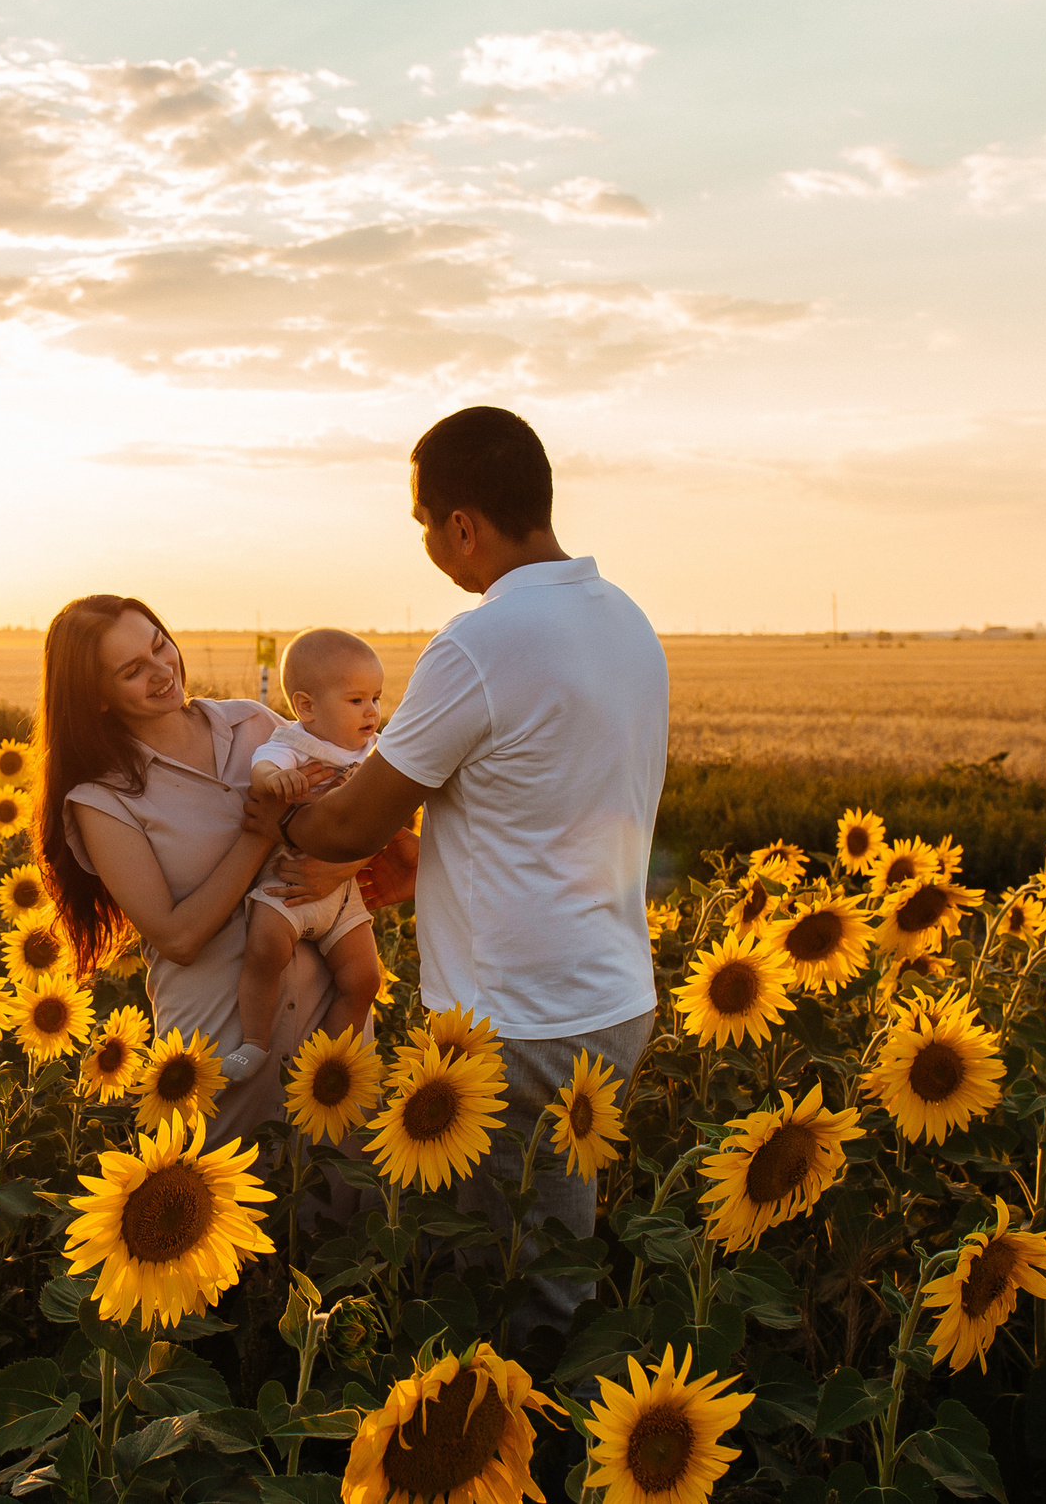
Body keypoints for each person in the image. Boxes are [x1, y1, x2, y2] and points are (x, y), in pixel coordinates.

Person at [281, 405, 668, 1337]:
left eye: (424, 524)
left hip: (519, 1019)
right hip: (612, 994)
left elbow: (351, 820)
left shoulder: (480, 643)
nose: (426, 543)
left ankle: (522, 1465)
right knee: (550, 1247)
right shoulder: (626, 621)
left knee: (513, 1290)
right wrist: (430, 864)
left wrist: (275, 802)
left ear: (464, 525)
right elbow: (553, 796)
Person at [34, 595, 380, 1143]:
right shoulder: (101, 800)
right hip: (219, 1054)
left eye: (158, 646)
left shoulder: (257, 726)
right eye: (132, 670)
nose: (161, 670)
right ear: (96, 697)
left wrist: (341, 868)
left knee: (351, 1209)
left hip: (331, 1039)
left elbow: (357, 811)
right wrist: (260, 832)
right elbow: (179, 937)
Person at [217, 629, 387, 1085]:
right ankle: (255, 1041)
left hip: (343, 891)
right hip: (288, 879)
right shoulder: (295, 743)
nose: (372, 712)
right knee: (264, 951)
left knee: (364, 978)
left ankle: (329, 1064)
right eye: (356, 700)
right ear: (307, 706)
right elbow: (264, 764)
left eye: (376, 697)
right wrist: (276, 780)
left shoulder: (375, 755)